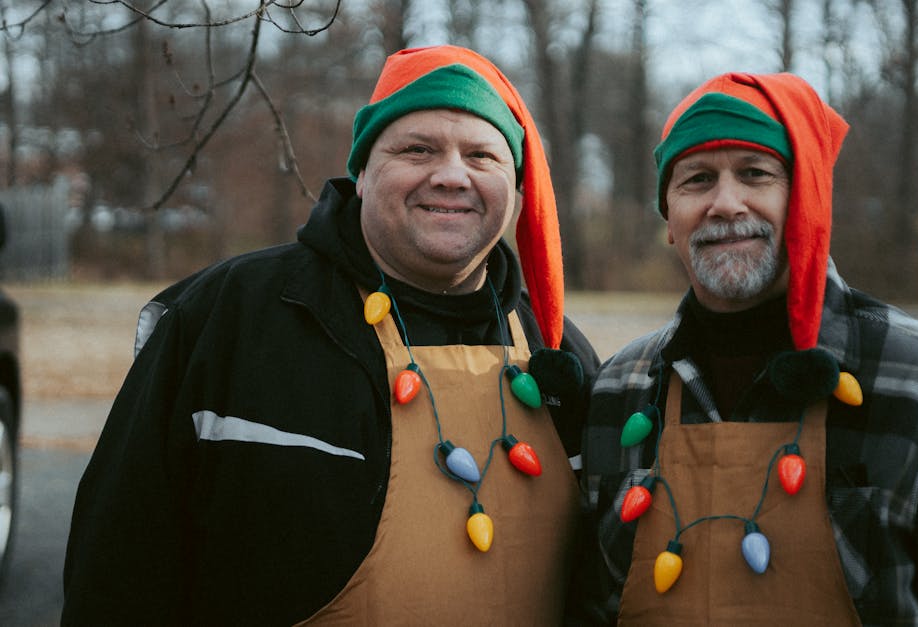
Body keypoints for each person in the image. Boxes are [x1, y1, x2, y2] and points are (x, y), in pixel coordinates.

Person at [63, 45, 599, 625]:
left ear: (515, 190)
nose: (451, 175)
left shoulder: (558, 356)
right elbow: (116, 570)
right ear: (363, 174)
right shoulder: (226, 319)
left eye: (482, 156)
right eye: (417, 149)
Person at [571, 72, 918, 625]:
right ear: (668, 217)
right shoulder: (620, 391)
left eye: (755, 174)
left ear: (807, 197)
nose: (725, 203)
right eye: (695, 180)